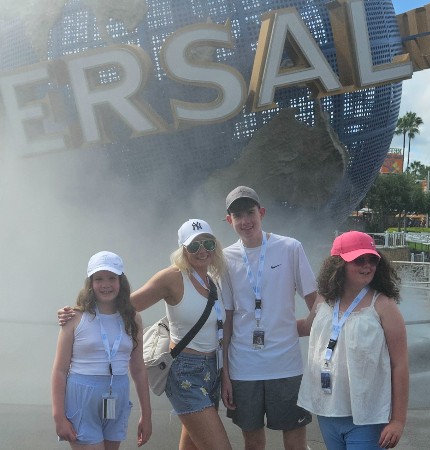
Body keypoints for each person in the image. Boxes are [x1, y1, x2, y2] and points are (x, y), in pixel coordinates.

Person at [58, 220, 232, 450]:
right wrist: (78, 312)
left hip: (212, 371)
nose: (202, 250)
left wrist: (225, 374)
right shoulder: (172, 277)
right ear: (183, 249)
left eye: (208, 243)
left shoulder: (214, 279)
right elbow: (126, 305)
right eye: (194, 245)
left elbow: (221, 331)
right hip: (186, 372)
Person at [220, 186, 317, 450]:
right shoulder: (225, 258)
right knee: (253, 443)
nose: (245, 221)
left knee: (295, 442)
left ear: (261, 213)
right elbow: (227, 320)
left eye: (250, 213)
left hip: (286, 364)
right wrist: (225, 373)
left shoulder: (290, 248)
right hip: (244, 367)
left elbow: (315, 301)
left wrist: (307, 328)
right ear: (229, 220)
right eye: (238, 216)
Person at [297, 231, 409, 449]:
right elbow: (305, 327)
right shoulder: (324, 299)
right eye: (359, 260)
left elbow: (400, 365)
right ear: (338, 265)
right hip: (328, 409)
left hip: (367, 415)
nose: (367, 266)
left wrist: (397, 420)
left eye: (372, 259)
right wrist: (261, 328)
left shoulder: (383, 305)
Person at [51, 251, 152, 449]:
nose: (106, 284)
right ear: (90, 283)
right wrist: (58, 416)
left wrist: (146, 415)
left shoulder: (133, 318)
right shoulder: (74, 317)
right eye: (99, 279)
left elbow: (139, 369)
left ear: (121, 281)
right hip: (82, 396)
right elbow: (60, 370)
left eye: (112, 278)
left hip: (118, 394)